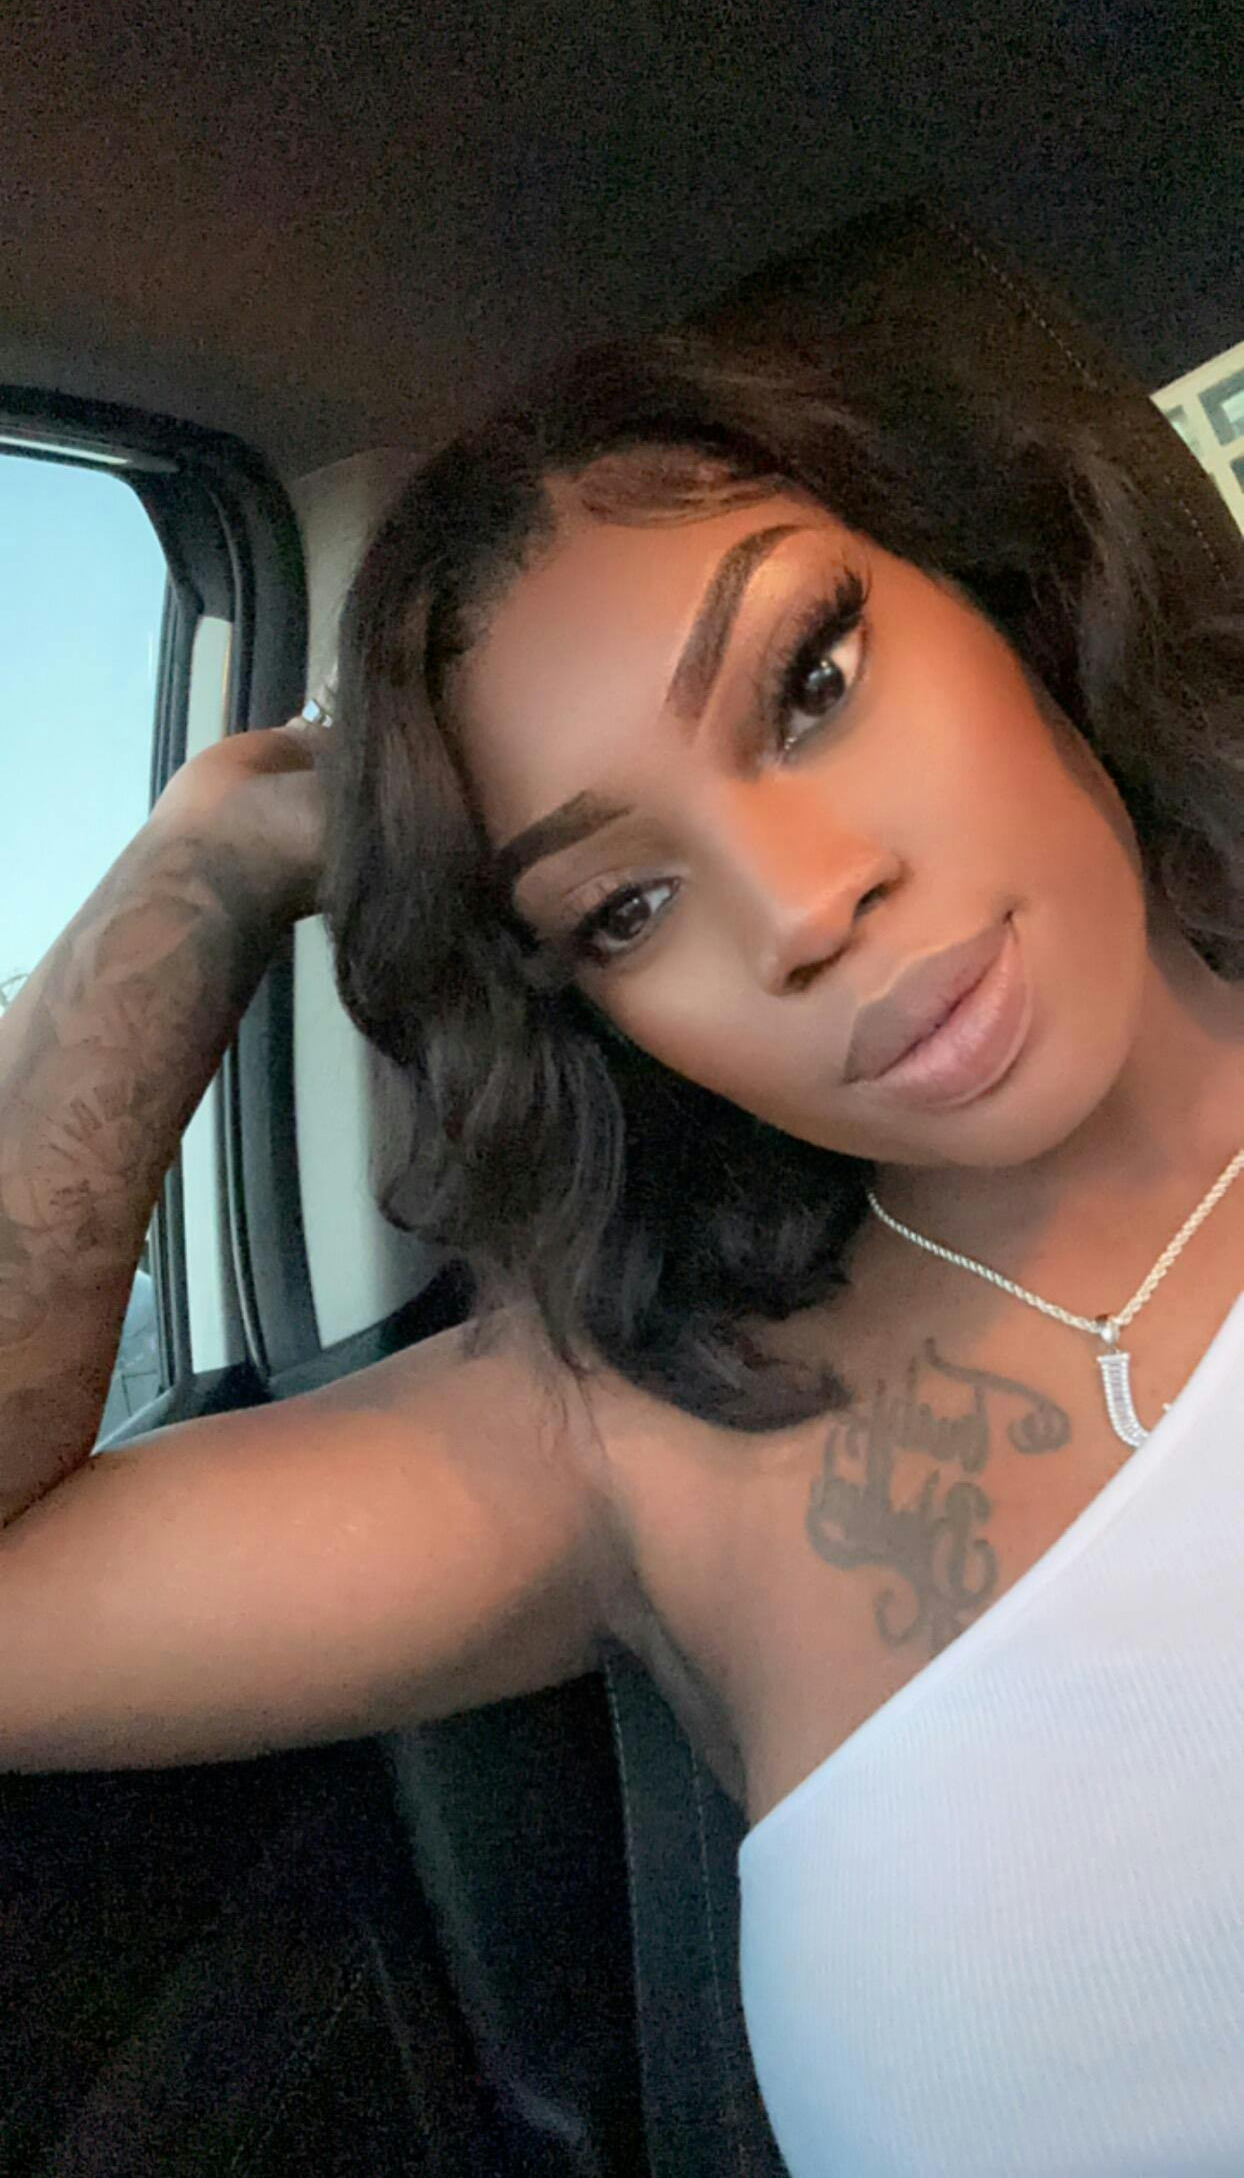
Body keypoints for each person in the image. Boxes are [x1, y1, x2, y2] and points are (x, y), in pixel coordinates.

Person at [1, 201, 1241, 2175]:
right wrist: (205, 865)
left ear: (1001, 591)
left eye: (812, 681)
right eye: (625, 906)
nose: (804, 907)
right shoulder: (645, 1437)